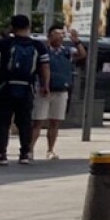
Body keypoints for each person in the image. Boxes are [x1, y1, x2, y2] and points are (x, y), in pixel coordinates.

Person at [0, 15, 49, 166]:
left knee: (3, 121)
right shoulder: (38, 46)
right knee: (25, 121)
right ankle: (25, 153)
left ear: (12, 27)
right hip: (27, 87)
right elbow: (45, 67)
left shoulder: (4, 43)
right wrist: (45, 85)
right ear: (29, 26)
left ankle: (1, 154)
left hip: (5, 87)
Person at [33, 24, 76, 159]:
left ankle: (50, 150)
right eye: (57, 34)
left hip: (61, 90)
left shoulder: (67, 51)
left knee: (55, 122)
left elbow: (82, 54)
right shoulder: (43, 51)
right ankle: (29, 149)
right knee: (37, 121)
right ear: (50, 36)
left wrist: (76, 40)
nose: (60, 37)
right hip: (43, 91)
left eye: (62, 35)